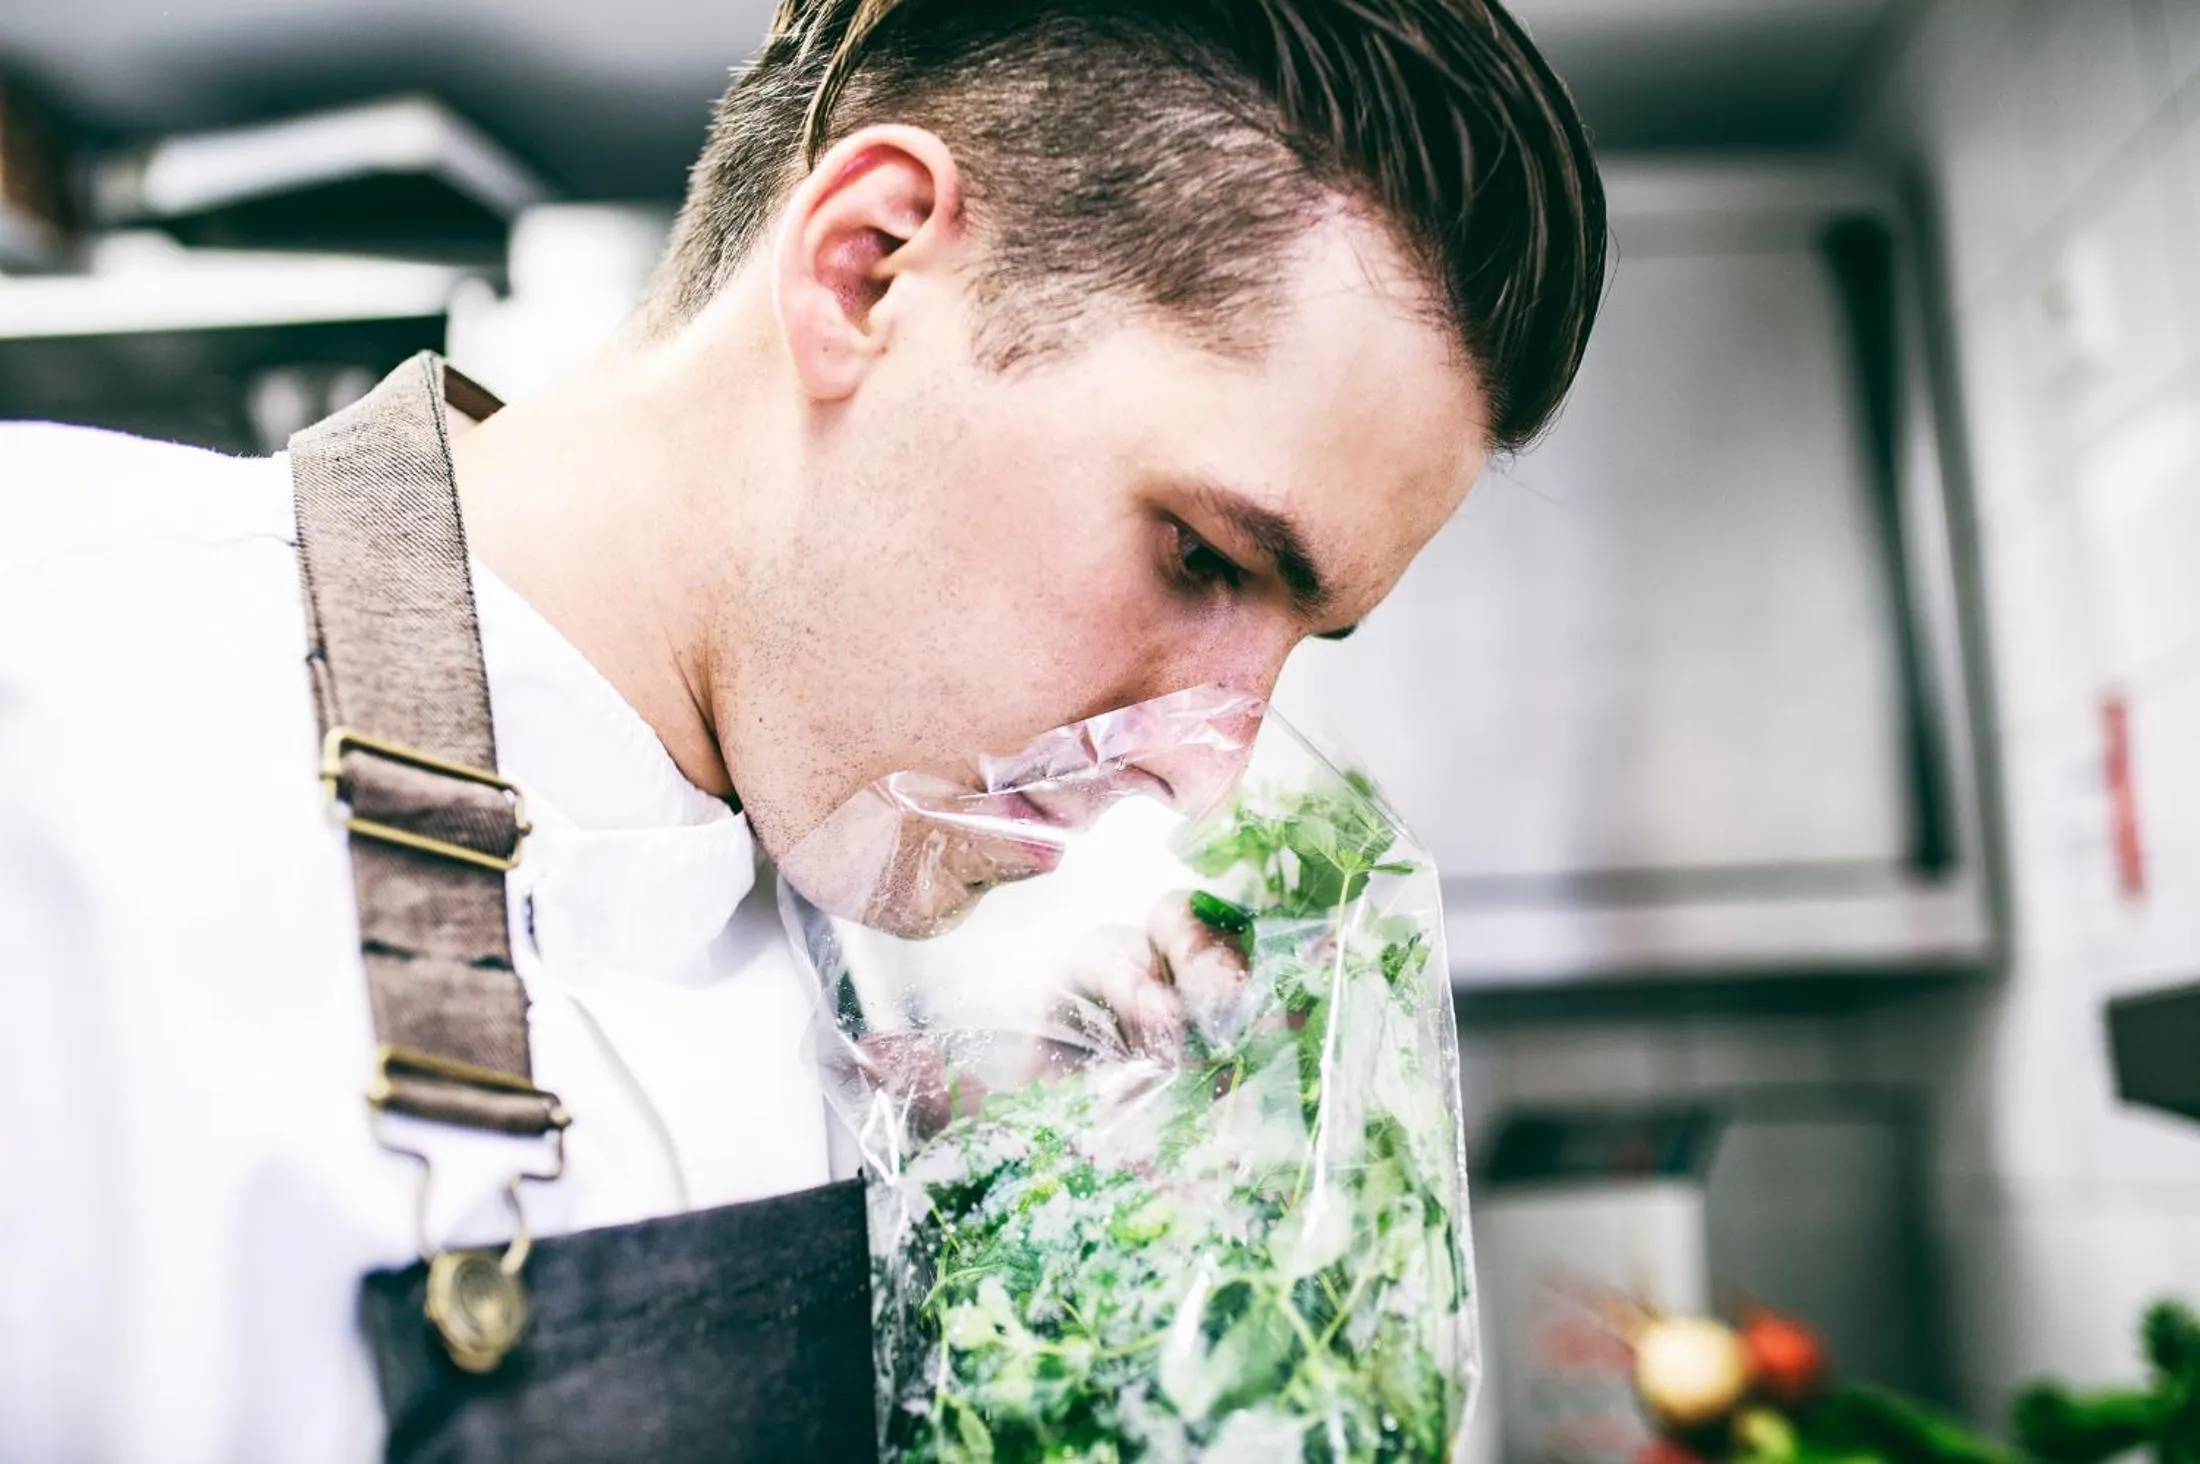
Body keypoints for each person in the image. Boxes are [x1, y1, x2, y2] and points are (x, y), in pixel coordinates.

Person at [0, 0, 1606, 1457]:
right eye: (1198, 554)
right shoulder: (57, 690)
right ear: (870, 264)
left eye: (1291, 643)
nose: (1205, 771)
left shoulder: (919, 1039)